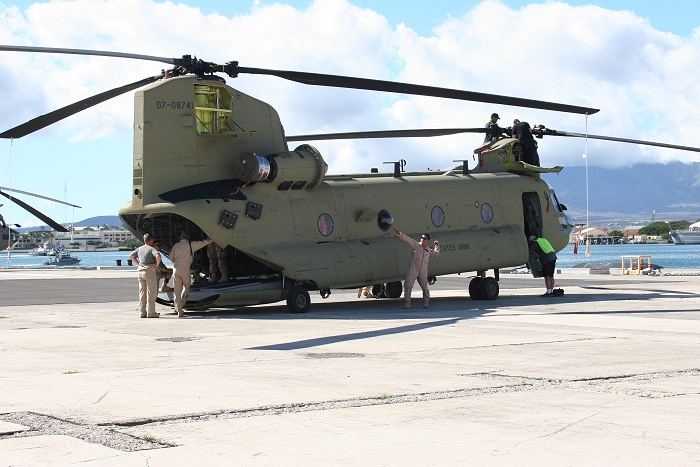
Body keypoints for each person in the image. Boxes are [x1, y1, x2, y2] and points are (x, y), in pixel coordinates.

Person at [169, 231, 213, 317]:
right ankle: (182, 303)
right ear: (188, 238)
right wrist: (210, 240)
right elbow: (202, 243)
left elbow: (171, 258)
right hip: (185, 268)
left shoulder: (176, 246)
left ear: (180, 238)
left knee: (177, 291)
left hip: (176, 268)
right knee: (186, 287)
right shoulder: (190, 245)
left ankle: (178, 309)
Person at [393, 228, 440, 309]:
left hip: (423, 271)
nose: (422, 239)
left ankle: (425, 303)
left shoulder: (428, 250)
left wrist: (437, 246)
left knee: (425, 288)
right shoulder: (416, 245)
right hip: (413, 269)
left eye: (424, 238)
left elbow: (435, 254)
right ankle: (407, 303)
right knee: (408, 285)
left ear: (427, 240)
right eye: (421, 238)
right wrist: (399, 234)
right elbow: (408, 240)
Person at [129, 233, 162, 318]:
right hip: (149, 271)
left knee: (142, 292)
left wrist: (138, 263)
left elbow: (131, 256)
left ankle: (142, 312)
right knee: (151, 292)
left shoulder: (139, 249)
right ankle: (151, 312)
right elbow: (158, 256)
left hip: (140, 271)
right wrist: (156, 266)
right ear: (151, 240)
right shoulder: (151, 249)